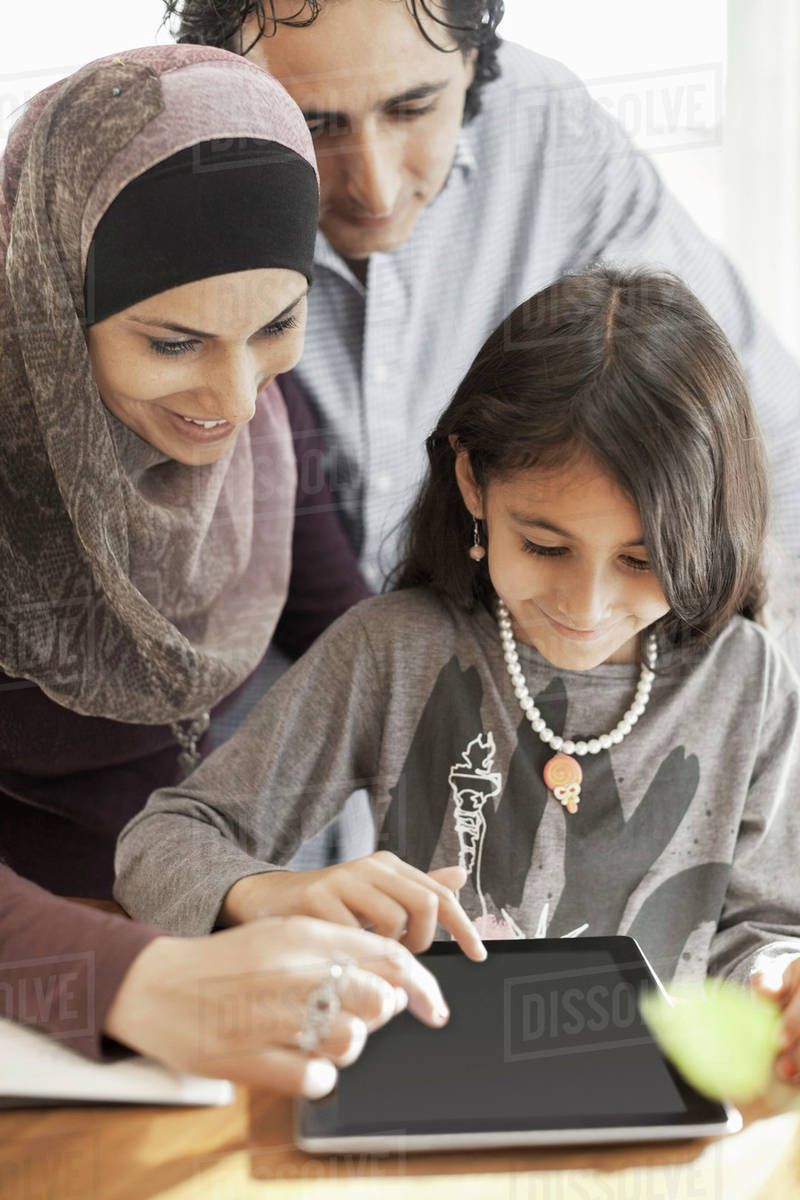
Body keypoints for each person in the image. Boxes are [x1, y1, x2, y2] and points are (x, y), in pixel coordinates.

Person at [117, 267, 800, 1084]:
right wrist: (270, 895)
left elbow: (761, 931)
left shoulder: (747, 679)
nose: (586, 604)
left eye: (642, 560)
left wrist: (777, 983)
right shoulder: (396, 650)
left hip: (664, 1107)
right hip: (427, 1089)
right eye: (545, 546)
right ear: (473, 482)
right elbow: (158, 846)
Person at [0, 43, 452, 1093]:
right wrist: (136, 984)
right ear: (50, 299)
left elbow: (363, 644)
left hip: (188, 932)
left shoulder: (260, 424)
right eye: (172, 342)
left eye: (276, 326)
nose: (238, 397)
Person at [167, 0, 800, 661]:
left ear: (472, 58)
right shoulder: (165, 175)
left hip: (523, 694)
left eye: (412, 109)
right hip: (250, 702)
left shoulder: (553, 136)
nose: (375, 191)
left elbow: (770, 437)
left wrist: (733, 700)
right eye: (316, 124)